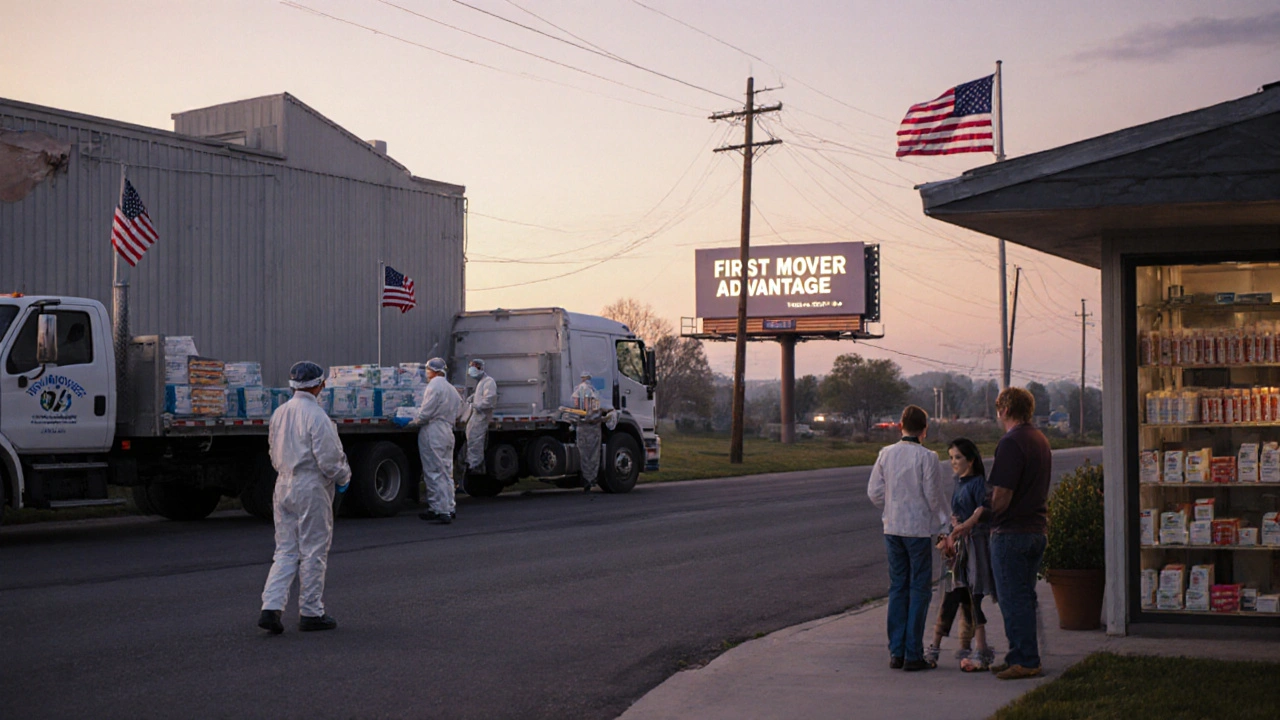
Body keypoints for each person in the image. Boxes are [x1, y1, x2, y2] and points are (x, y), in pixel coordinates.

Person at [258, 361, 351, 634]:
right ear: (319, 385)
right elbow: (330, 460)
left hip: (283, 483)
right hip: (311, 486)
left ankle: (271, 607)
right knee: (313, 550)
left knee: (285, 550)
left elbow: (273, 452)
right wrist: (344, 478)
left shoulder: (279, 413)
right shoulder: (318, 416)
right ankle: (311, 612)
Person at [867, 405, 951, 672]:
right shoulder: (928, 458)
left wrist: (891, 506)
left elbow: (874, 492)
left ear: (900, 425)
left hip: (892, 527)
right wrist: (945, 524)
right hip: (916, 529)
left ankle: (896, 651)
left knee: (898, 588)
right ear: (924, 429)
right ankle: (913, 653)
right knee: (919, 589)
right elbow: (933, 495)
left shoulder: (886, 454)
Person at [985, 387, 1053, 680]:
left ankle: (1026, 659)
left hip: (1012, 532)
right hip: (1035, 529)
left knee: (1013, 599)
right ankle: (1018, 654)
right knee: (1023, 596)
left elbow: (1002, 494)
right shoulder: (1039, 439)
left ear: (1004, 410)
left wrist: (984, 517)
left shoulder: (1011, 442)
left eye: (999, 409)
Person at [930, 437, 998, 672]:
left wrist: (967, 524)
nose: (953, 462)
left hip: (974, 547)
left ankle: (981, 650)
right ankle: (935, 648)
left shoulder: (979, 483)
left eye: (957, 457)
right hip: (955, 549)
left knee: (973, 596)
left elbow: (984, 508)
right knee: (950, 596)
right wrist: (951, 528)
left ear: (970, 459)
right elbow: (956, 513)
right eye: (950, 458)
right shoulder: (958, 483)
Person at [408, 357, 462, 524]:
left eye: (428, 369)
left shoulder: (434, 386)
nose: (427, 372)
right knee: (446, 471)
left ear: (434, 370)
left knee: (433, 471)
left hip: (434, 430)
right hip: (447, 430)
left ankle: (440, 510)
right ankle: (448, 507)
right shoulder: (452, 389)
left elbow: (426, 412)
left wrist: (412, 421)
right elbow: (460, 412)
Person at [463, 359, 498, 475]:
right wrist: (472, 398)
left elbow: (489, 400)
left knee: (476, 444)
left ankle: (476, 468)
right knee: (472, 442)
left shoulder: (489, 382)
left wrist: (476, 405)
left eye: (475, 366)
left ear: (481, 368)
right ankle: (472, 466)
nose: (472, 368)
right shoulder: (481, 383)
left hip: (481, 418)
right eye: (471, 366)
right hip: (476, 418)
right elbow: (480, 395)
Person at [570, 372, 602, 489]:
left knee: (583, 454)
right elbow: (595, 409)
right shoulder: (594, 391)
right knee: (593, 454)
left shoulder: (577, 390)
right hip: (592, 427)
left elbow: (575, 405)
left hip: (581, 427)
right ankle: (591, 478)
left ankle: (585, 478)